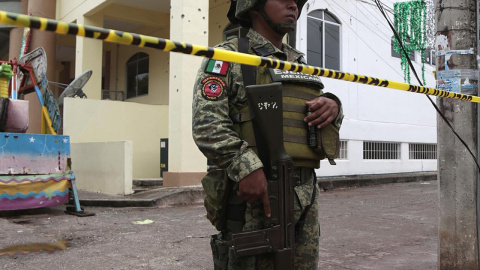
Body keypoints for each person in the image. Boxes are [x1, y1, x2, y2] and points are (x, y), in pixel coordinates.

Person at [192, 0, 343, 269]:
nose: (293, 5)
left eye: (297, 1)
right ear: (254, 5)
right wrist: (247, 168)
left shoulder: (298, 61)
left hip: (304, 193)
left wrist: (333, 106)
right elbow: (207, 124)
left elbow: (309, 114)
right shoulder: (228, 56)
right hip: (255, 196)